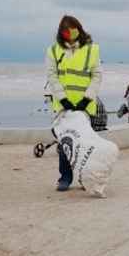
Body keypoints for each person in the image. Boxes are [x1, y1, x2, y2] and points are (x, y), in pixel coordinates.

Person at [46, 15, 102, 191]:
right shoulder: (53, 51)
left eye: (72, 29)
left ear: (79, 29)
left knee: (85, 143)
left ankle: (85, 177)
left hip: (85, 105)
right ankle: (65, 177)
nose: (69, 33)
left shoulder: (92, 50)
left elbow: (97, 75)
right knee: (65, 143)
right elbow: (52, 76)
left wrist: (87, 99)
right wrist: (63, 99)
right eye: (65, 30)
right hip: (63, 106)